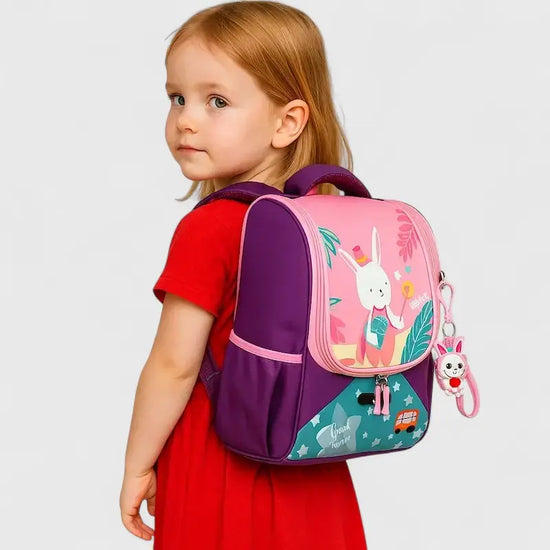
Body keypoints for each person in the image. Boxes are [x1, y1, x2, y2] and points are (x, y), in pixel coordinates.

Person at [119, 2, 368, 548]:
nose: (186, 119)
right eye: (177, 97)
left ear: (287, 122)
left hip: (222, 460)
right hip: (314, 456)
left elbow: (173, 366)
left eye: (217, 101)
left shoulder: (211, 227)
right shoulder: (328, 222)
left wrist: (138, 464)